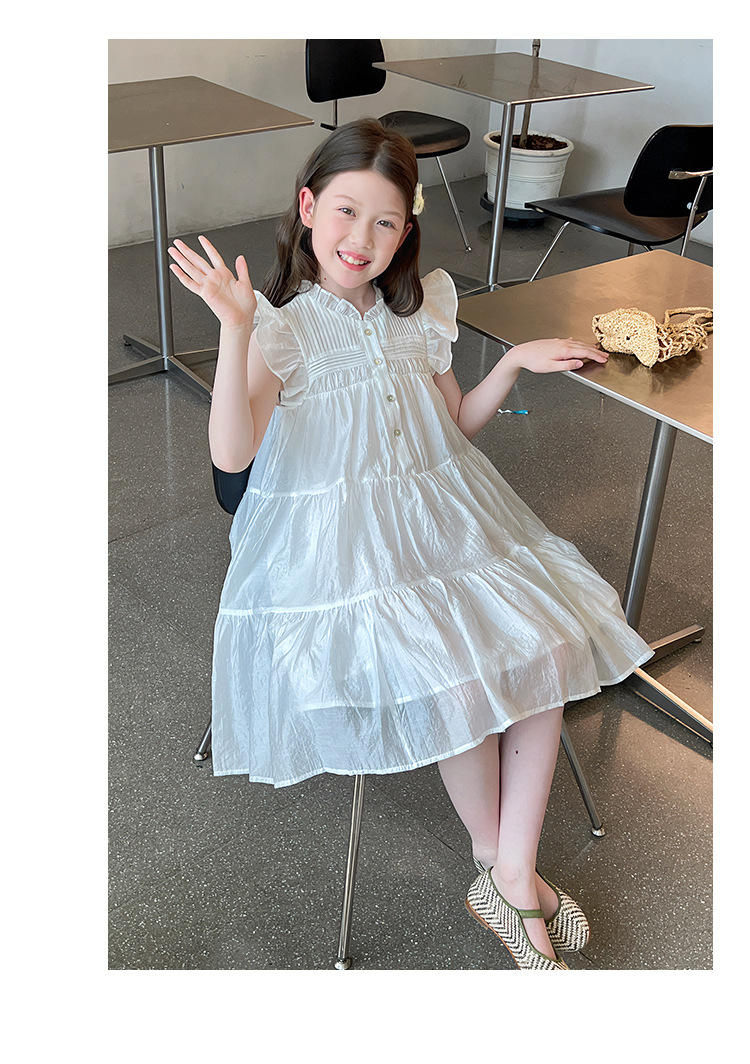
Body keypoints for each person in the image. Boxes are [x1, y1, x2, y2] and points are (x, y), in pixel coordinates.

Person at [168, 118, 652, 971]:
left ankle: (508, 872)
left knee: (548, 643)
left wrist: (512, 365)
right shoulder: (280, 327)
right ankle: (503, 873)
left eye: (385, 221)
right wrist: (236, 329)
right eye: (346, 211)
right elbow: (233, 459)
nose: (362, 238)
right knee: (457, 670)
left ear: (406, 231)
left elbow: (453, 426)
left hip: (439, 512)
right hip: (334, 546)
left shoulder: (417, 306)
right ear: (308, 207)